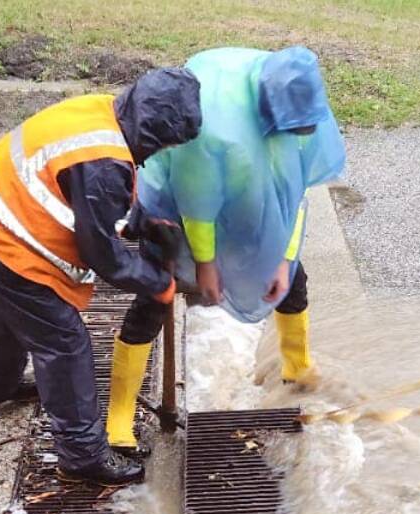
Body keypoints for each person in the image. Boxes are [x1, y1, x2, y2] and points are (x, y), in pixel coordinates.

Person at [0, 68, 201, 485]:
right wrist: (157, 283)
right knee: (63, 339)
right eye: (167, 143)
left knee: (10, 310)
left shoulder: (102, 113)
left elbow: (93, 200)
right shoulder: (103, 161)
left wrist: (142, 223)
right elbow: (104, 256)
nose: (164, 150)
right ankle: (82, 457)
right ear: (155, 132)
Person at [104, 45, 345, 456]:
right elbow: (197, 202)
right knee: (156, 290)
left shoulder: (301, 109)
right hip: (176, 198)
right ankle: (119, 417)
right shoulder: (216, 122)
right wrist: (206, 264)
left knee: (295, 281)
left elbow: (296, 195)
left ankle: (298, 368)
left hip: (243, 189)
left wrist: (284, 261)